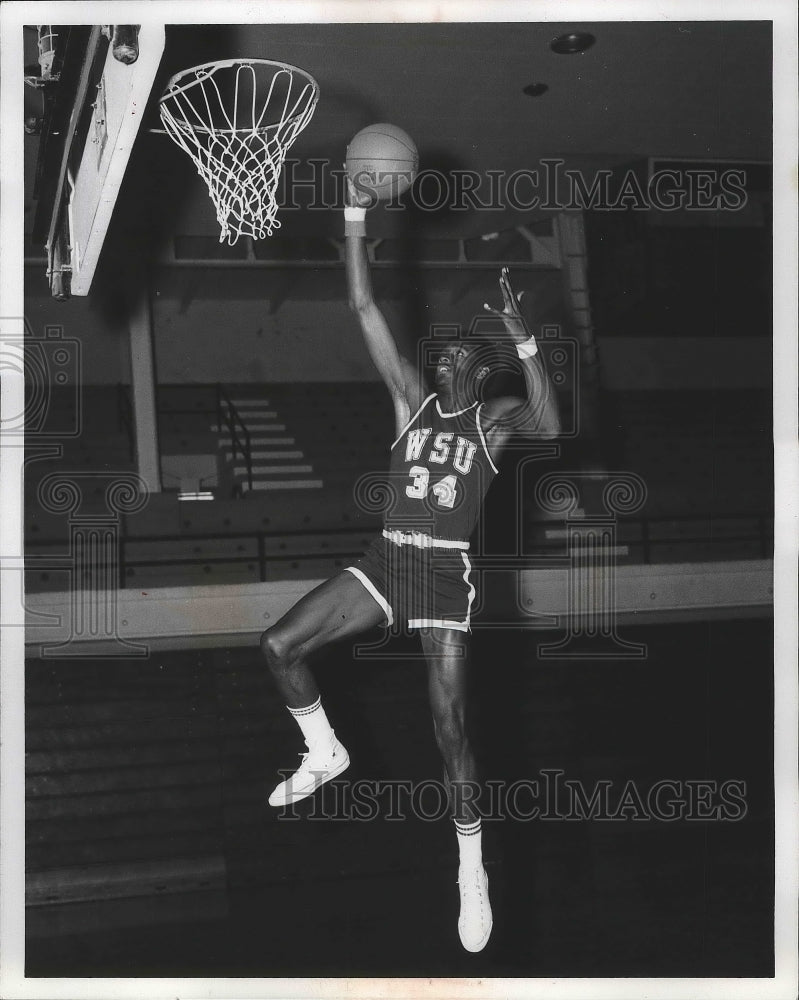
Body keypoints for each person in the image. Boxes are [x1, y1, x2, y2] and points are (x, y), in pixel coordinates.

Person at [260, 185, 561, 953]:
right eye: (448, 350)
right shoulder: (411, 402)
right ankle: (324, 749)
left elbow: (551, 423)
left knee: (450, 730)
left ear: (481, 373)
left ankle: (470, 868)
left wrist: (526, 347)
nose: (453, 353)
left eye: (468, 352)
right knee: (278, 646)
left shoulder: (491, 425)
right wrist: (356, 214)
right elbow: (364, 311)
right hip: (386, 559)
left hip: (443, 578)